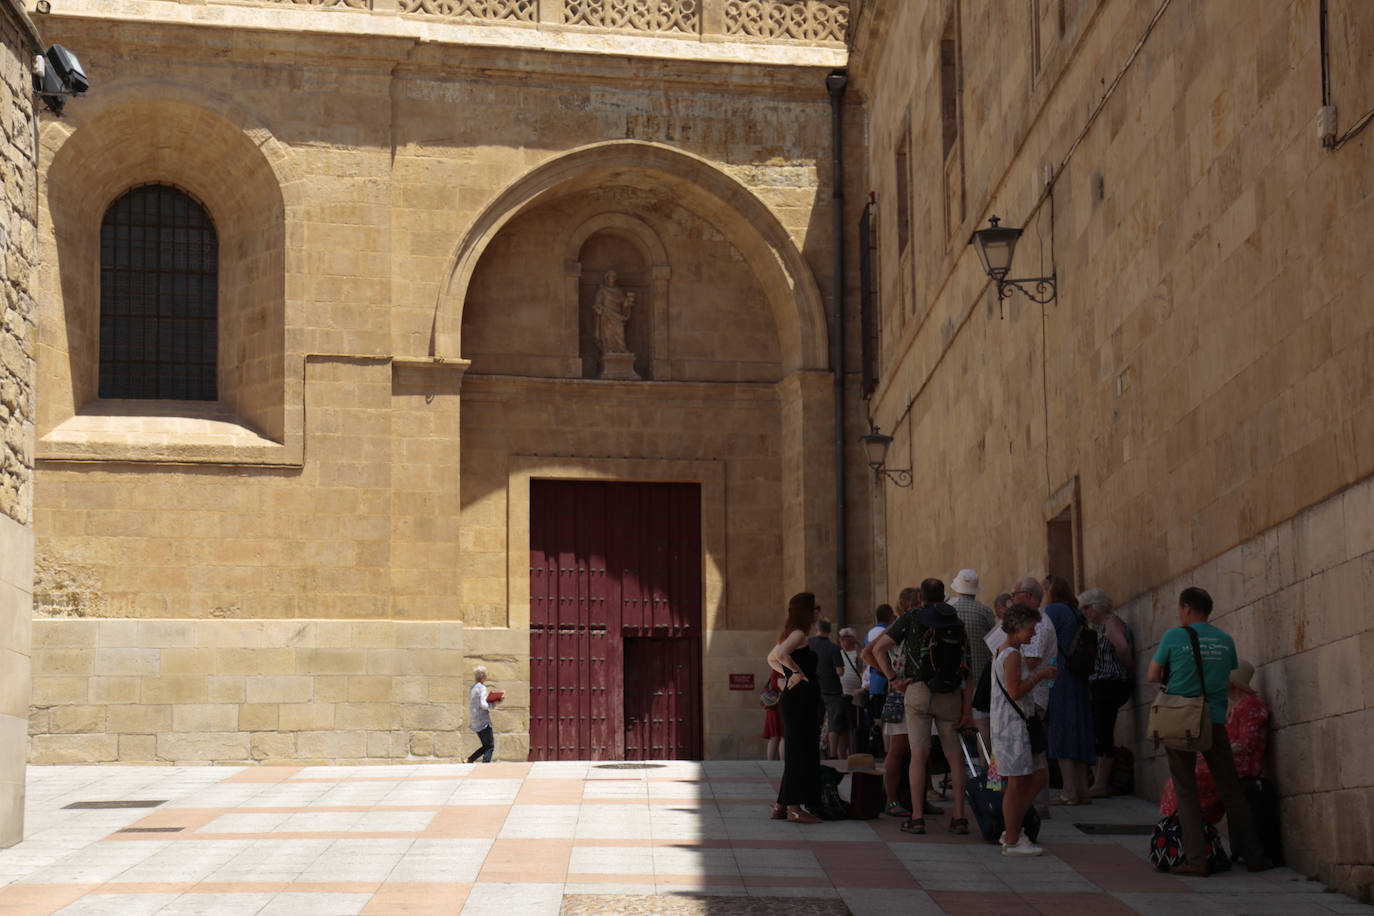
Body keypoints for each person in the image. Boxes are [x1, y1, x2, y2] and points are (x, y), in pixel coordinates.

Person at [1147, 586, 1273, 876]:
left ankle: (1196, 860)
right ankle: (1255, 856)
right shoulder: (1225, 640)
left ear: (1187, 608)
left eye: (1180, 609)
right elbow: (1226, 673)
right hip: (1215, 720)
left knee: (1185, 789)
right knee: (1231, 789)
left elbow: (1152, 675)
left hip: (1182, 720)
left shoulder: (1174, 636)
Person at [868, 578, 971, 836]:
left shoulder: (912, 617)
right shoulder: (955, 620)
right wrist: (967, 708)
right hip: (950, 693)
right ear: (943, 597)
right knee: (954, 757)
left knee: (918, 755)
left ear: (922, 597)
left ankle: (916, 817)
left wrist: (893, 679)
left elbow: (879, 649)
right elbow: (967, 667)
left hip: (918, 690)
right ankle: (959, 817)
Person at [1159, 660, 1269, 824]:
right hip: (1228, 761)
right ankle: (1182, 827)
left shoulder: (1251, 705)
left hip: (1240, 765)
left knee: (1185, 782)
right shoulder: (1235, 706)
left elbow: (1246, 744)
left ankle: (1186, 826)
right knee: (1179, 780)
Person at [991, 603, 1058, 856]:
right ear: (1017, 627)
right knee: (1017, 785)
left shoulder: (1007, 651)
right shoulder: (1012, 654)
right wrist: (1040, 676)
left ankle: (1013, 828)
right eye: (1030, 629)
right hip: (1013, 728)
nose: (1032, 634)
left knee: (1037, 778)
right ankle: (1012, 837)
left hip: (1016, 725)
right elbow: (1015, 691)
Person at [766, 591, 824, 823]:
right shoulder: (798, 633)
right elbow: (779, 655)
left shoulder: (793, 633)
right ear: (808, 611)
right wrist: (796, 673)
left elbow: (772, 659)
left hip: (800, 699)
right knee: (799, 751)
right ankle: (794, 809)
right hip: (799, 700)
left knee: (799, 749)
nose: (819, 611)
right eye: (816, 607)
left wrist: (789, 674)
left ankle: (782, 806)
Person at [863, 588, 918, 816]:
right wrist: (891, 676)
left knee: (919, 750)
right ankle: (892, 799)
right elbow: (868, 653)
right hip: (899, 693)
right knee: (897, 749)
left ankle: (917, 799)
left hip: (916, 692)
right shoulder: (895, 628)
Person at [1042, 575, 1095, 805]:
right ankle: (1083, 790)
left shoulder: (1054, 610)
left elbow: (1040, 637)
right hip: (1079, 678)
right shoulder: (1075, 612)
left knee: (1062, 731)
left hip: (1061, 677)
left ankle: (1069, 791)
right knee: (1080, 730)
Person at [1080, 587, 1134, 798]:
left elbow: (1122, 648)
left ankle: (1102, 784)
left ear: (1096, 606)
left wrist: (1129, 669)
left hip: (1110, 683)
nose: (1084, 612)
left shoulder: (1111, 623)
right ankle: (1099, 781)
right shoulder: (1101, 626)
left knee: (1104, 732)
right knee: (1098, 731)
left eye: (1086, 608)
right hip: (1103, 684)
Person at [809, 618, 846, 760]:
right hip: (832, 689)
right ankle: (832, 755)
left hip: (813, 688)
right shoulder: (833, 648)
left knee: (814, 721)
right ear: (829, 631)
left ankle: (814, 752)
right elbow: (839, 671)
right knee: (833, 722)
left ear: (816, 629)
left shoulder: (809, 644)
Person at [864, 604, 895, 754]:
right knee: (889, 721)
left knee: (879, 720)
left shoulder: (870, 633)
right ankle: (889, 751)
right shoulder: (886, 632)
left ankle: (884, 750)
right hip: (886, 681)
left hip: (875, 682)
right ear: (890, 616)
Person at [592, 269, 635, 354]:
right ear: (607, 277)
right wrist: (599, 309)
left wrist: (628, 302)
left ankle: (621, 349)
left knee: (620, 332)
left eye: (614, 276)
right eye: (611, 276)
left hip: (618, 315)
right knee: (608, 334)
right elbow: (597, 304)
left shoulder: (619, 290)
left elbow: (623, 302)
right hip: (606, 315)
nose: (613, 278)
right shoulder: (602, 290)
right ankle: (609, 350)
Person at [838, 627, 865, 757]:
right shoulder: (838, 654)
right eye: (840, 638)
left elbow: (865, 673)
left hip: (855, 697)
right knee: (840, 730)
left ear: (853, 638)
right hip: (840, 696)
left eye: (845, 637)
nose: (842, 640)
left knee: (854, 728)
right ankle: (840, 759)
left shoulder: (860, 653)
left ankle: (855, 756)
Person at [467, 665, 500, 763]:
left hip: (475, 720)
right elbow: (483, 704)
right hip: (483, 721)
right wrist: (495, 703)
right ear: (484, 676)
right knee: (490, 746)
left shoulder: (472, 688)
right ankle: (485, 765)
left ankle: (470, 759)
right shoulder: (482, 688)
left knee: (485, 745)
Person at [763, 668, 784, 761]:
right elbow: (782, 685)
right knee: (784, 736)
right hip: (780, 707)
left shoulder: (775, 669)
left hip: (772, 706)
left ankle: (770, 763)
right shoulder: (781, 669)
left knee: (774, 737)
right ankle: (783, 763)